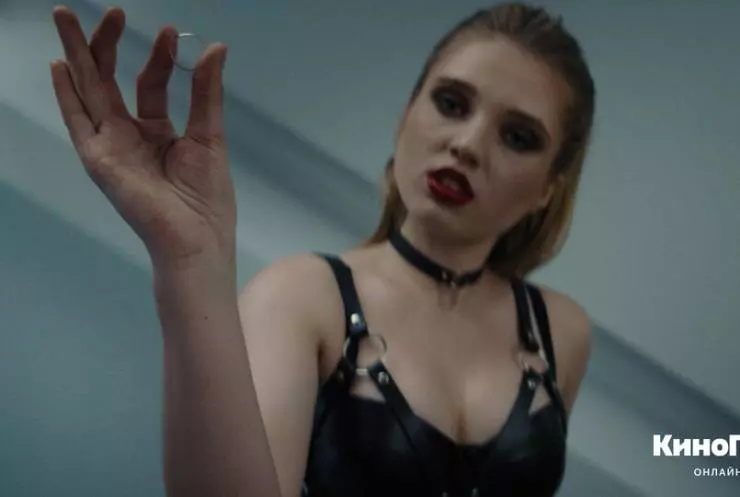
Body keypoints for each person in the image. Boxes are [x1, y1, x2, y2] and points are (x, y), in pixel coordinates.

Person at [50, 2, 595, 496]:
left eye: (518, 137)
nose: (468, 145)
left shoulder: (561, 333)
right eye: (451, 103)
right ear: (406, 115)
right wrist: (188, 262)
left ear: (549, 187)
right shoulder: (303, 297)